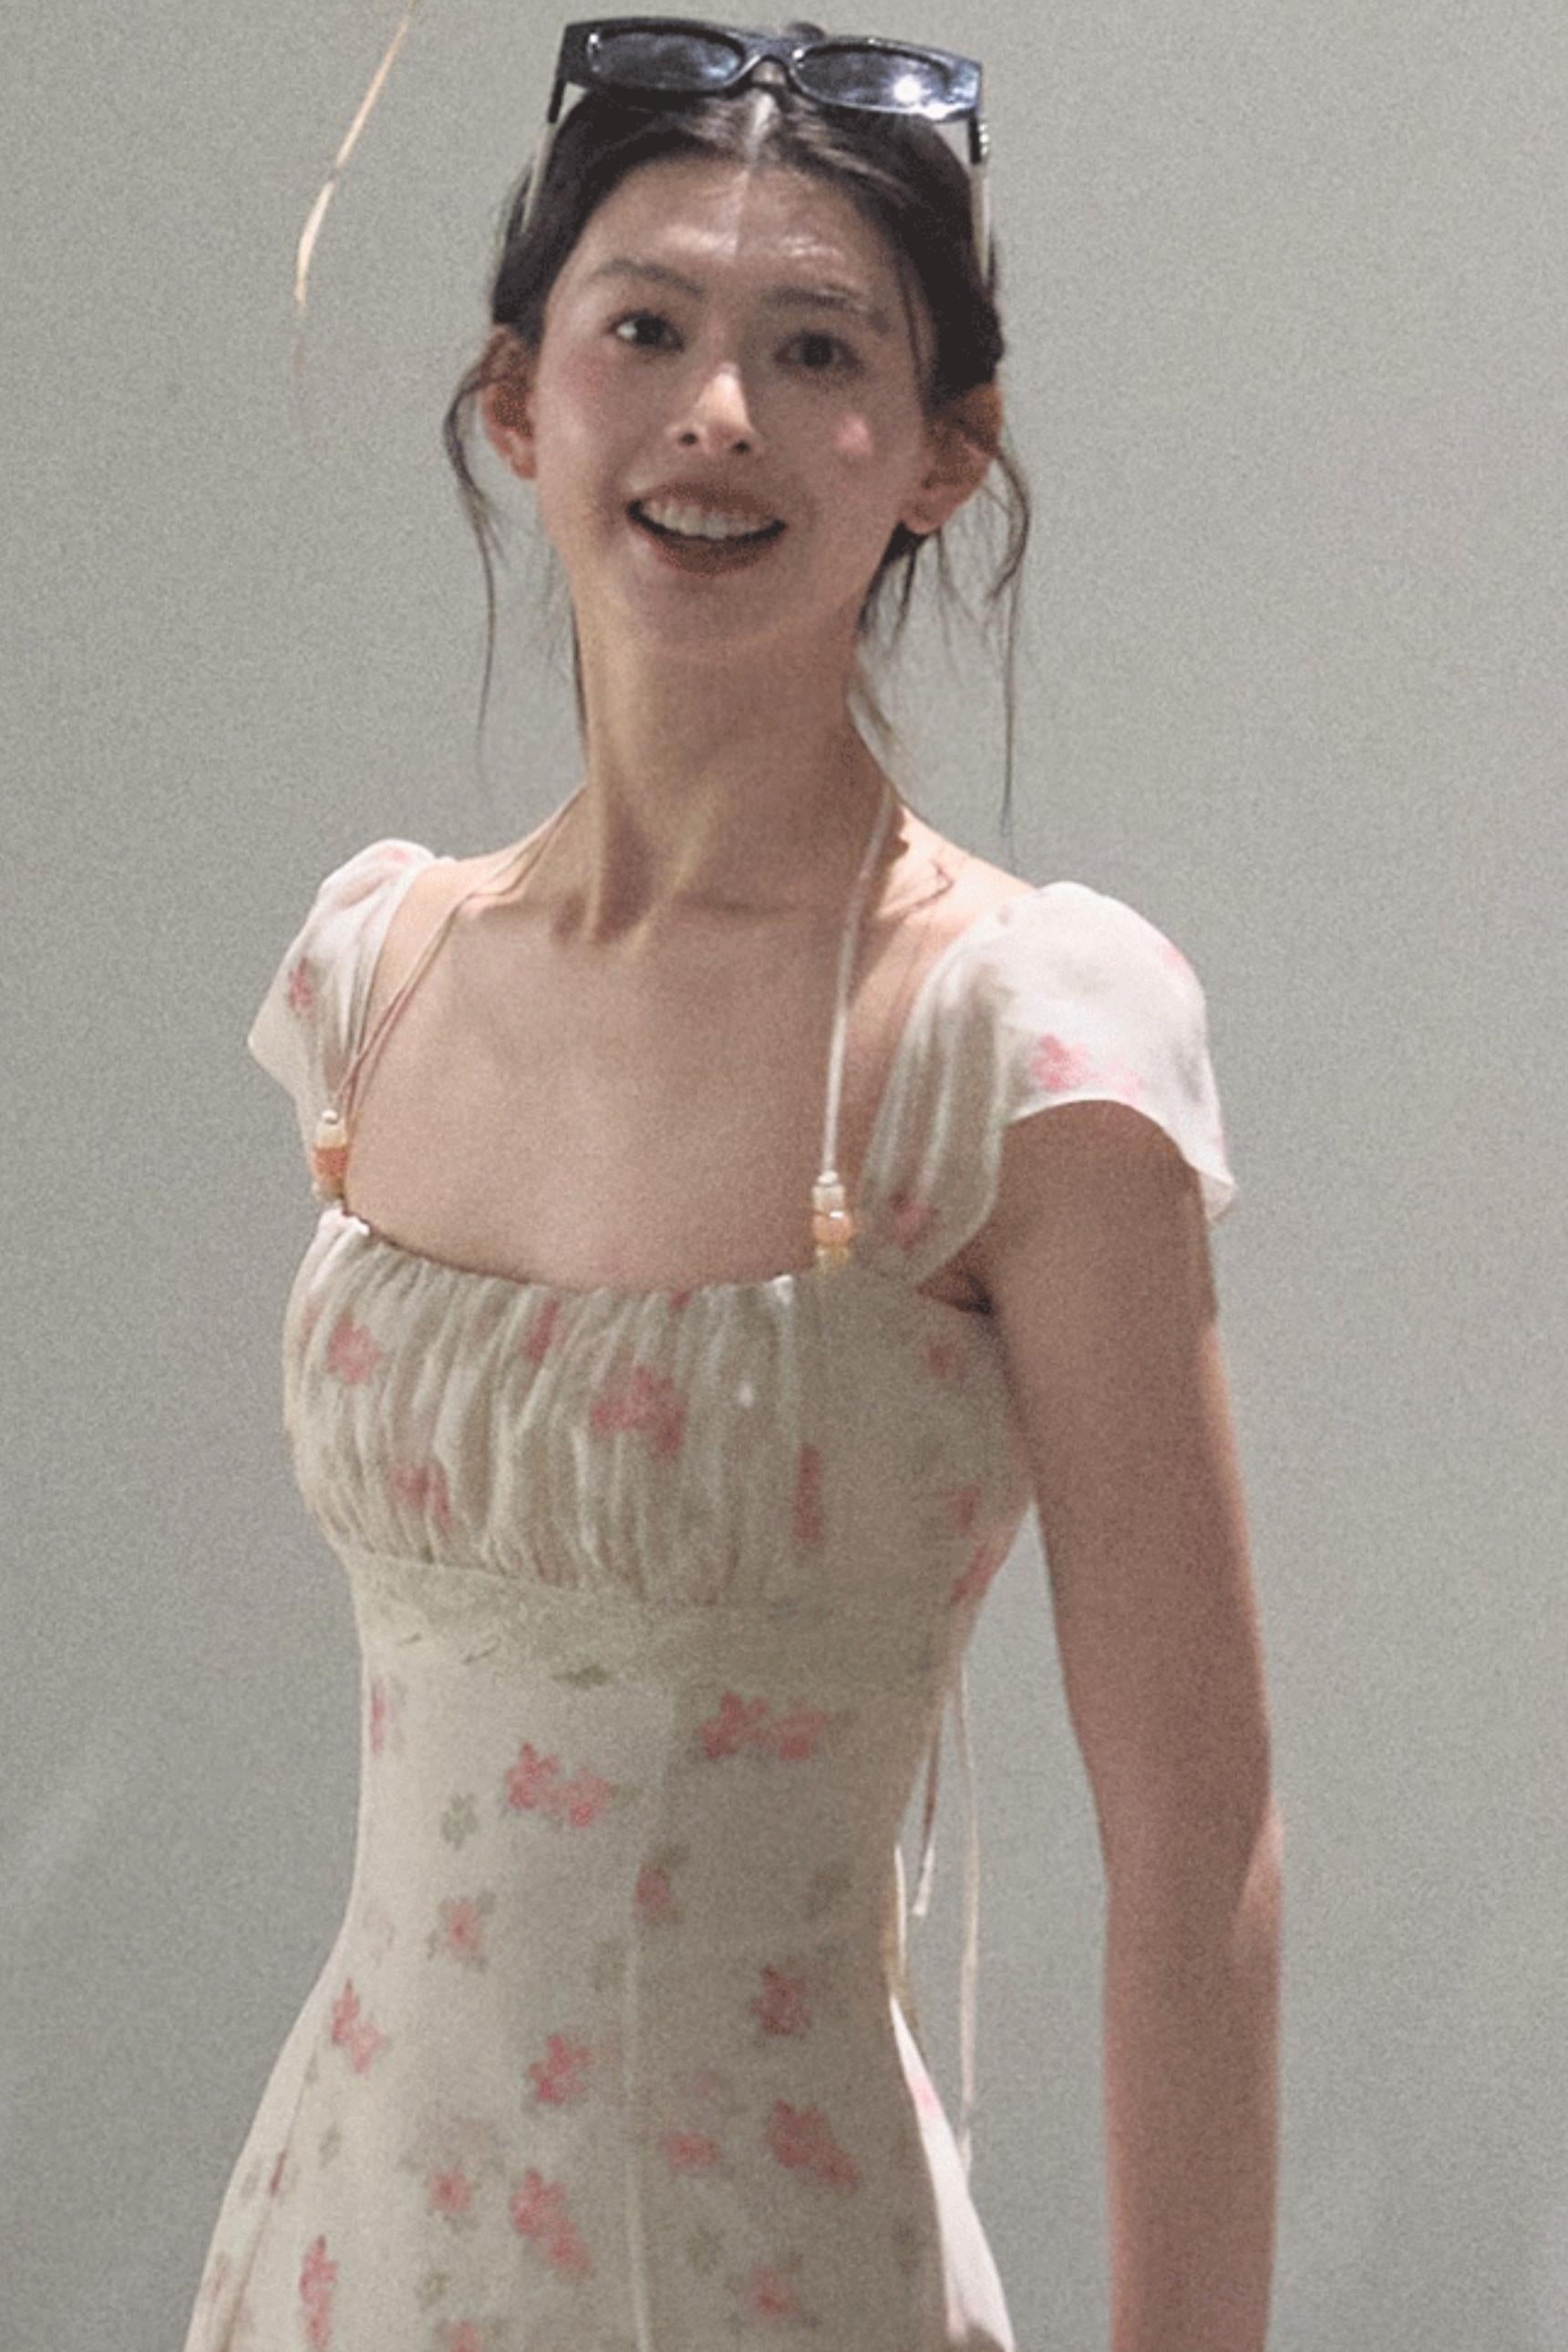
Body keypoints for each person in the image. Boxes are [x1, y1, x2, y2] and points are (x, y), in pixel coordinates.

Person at [185, 17, 1280, 2351]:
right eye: (644, 328)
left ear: (940, 455)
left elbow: (1194, 1853)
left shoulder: (1020, 1045)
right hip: (334, 2260)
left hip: (769, 2278)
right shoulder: (375, 974)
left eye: (815, 352)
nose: (715, 412)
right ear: (517, 398)